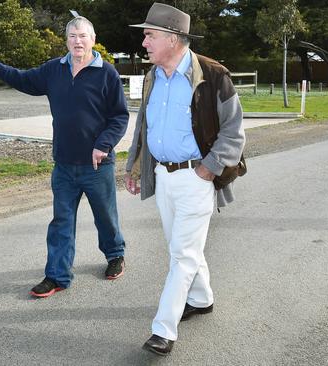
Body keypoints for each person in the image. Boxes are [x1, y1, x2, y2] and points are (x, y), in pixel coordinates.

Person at [0, 16, 129, 298]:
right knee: (61, 221)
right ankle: (57, 276)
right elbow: (22, 78)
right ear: (66, 40)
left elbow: (119, 116)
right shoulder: (54, 69)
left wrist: (103, 144)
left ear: (92, 39)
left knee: (105, 216)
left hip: (98, 164)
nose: (77, 41)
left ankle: (115, 254)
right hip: (64, 164)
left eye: (82, 36)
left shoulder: (107, 73)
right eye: (72, 36)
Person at [125, 2, 246, 356]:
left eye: (149, 35)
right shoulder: (152, 77)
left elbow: (235, 132)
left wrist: (208, 168)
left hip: (197, 177)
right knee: (183, 248)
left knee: (182, 254)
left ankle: (164, 328)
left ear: (173, 38)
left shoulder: (212, 74)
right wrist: (135, 166)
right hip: (164, 177)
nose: (144, 42)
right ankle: (202, 298)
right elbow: (144, 128)